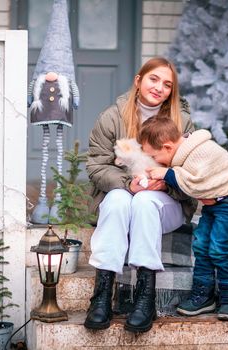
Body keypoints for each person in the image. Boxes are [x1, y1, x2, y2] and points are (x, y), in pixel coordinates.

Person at [85, 57, 196, 333]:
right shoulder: (112, 117)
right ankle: (102, 295)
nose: (159, 88)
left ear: (172, 91)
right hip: (122, 196)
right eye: (153, 79)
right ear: (138, 80)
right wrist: (127, 183)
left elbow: (194, 172)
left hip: (165, 203)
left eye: (167, 84)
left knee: (145, 202)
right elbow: (96, 166)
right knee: (120, 199)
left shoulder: (182, 123)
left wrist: (167, 183)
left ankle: (145, 296)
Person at [140, 116, 228, 321]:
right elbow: (194, 184)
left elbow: (196, 183)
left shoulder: (200, 151)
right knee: (201, 246)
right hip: (216, 203)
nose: (154, 162)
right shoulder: (183, 154)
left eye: (154, 157)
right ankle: (203, 295)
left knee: (219, 248)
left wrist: (167, 174)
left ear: (167, 147)